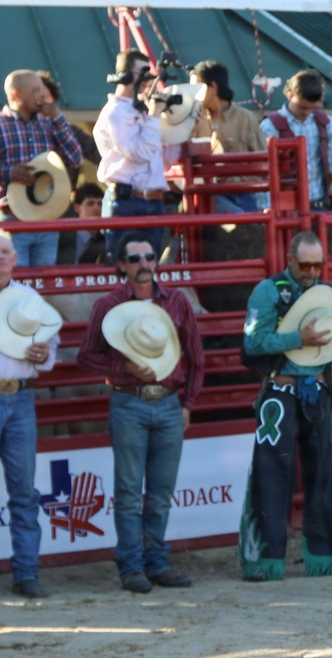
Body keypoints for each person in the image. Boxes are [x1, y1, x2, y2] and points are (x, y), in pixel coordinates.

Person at [76, 231, 204, 593]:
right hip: (129, 400)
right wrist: (125, 370)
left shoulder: (177, 301)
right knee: (131, 491)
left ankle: (155, 562)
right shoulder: (108, 305)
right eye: (135, 259)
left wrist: (188, 404)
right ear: (121, 266)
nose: (144, 264)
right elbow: (87, 357)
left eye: (149, 257)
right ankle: (133, 565)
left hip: (167, 402)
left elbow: (196, 357)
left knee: (161, 491)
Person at [238, 231, 332, 581]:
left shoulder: (326, 292)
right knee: (271, 472)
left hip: (317, 389)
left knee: (324, 471)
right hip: (280, 388)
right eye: (305, 264)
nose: (311, 271)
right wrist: (299, 339)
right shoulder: (269, 290)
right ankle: (264, 558)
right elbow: (253, 342)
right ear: (289, 260)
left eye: (317, 264)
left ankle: (326, 555)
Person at [0, 232, 60, 600]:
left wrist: (44, 356)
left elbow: (51, 345)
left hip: (21, 397)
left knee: (25, 493)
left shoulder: (31, 299)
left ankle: (27, 574)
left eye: (4, 252)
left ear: (15, 259)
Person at [0, 70, 82, 266]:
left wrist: (57, 118)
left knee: (43, 284)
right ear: (16, 94)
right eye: (35, 91)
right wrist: (9, 173)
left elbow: (74, 158)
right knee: (11, 280)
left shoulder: (49, 124)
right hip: (10, 216)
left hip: (46, 217)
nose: (42, 96)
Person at [93, 49, 178, 260]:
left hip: (154, 201)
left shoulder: (145, 110)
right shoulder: (115, 112)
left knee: (151, 266)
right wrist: (154, 115)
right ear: (127, 74)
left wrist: (181, 123)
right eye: (143, 71)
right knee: (124, 265)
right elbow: (139, 153)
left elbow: (166, 159)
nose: (148, 78)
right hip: (127, 201)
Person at [260, 70, 332, 253]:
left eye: (313, 108)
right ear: (290, 96)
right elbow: (266, 173)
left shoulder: (323, 123)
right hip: (289, 211)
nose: (308, 113)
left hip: (321, 205)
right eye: (303, 108)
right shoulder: (271, 127)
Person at [190, 60, 267, 213]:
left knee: (247, 231)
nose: (192, 93)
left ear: (212, 87)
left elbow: (264, 162)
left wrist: (236, 180)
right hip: (206, 194)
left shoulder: (245, 118)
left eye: (196, 87)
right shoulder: (192, 117)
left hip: (243, 195)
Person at [71, 183, 106, 264]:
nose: (96, 208)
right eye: (90, 204)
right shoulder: (64, 237)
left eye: (100, 204)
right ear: (77, 208)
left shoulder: (105, 239)